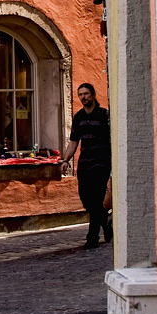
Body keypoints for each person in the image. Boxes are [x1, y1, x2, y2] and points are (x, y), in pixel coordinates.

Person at [61, 82, 112, 249]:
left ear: (93, 94)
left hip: (101, 163)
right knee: (86, 200)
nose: (83, 97)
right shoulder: (79, 117)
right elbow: (74, 142)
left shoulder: (104, 115)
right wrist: (65, 160)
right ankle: (104, 220)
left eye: (86, 94)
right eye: (80, 94)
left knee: (96, 200)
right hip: (84, 164)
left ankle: (92, 237)